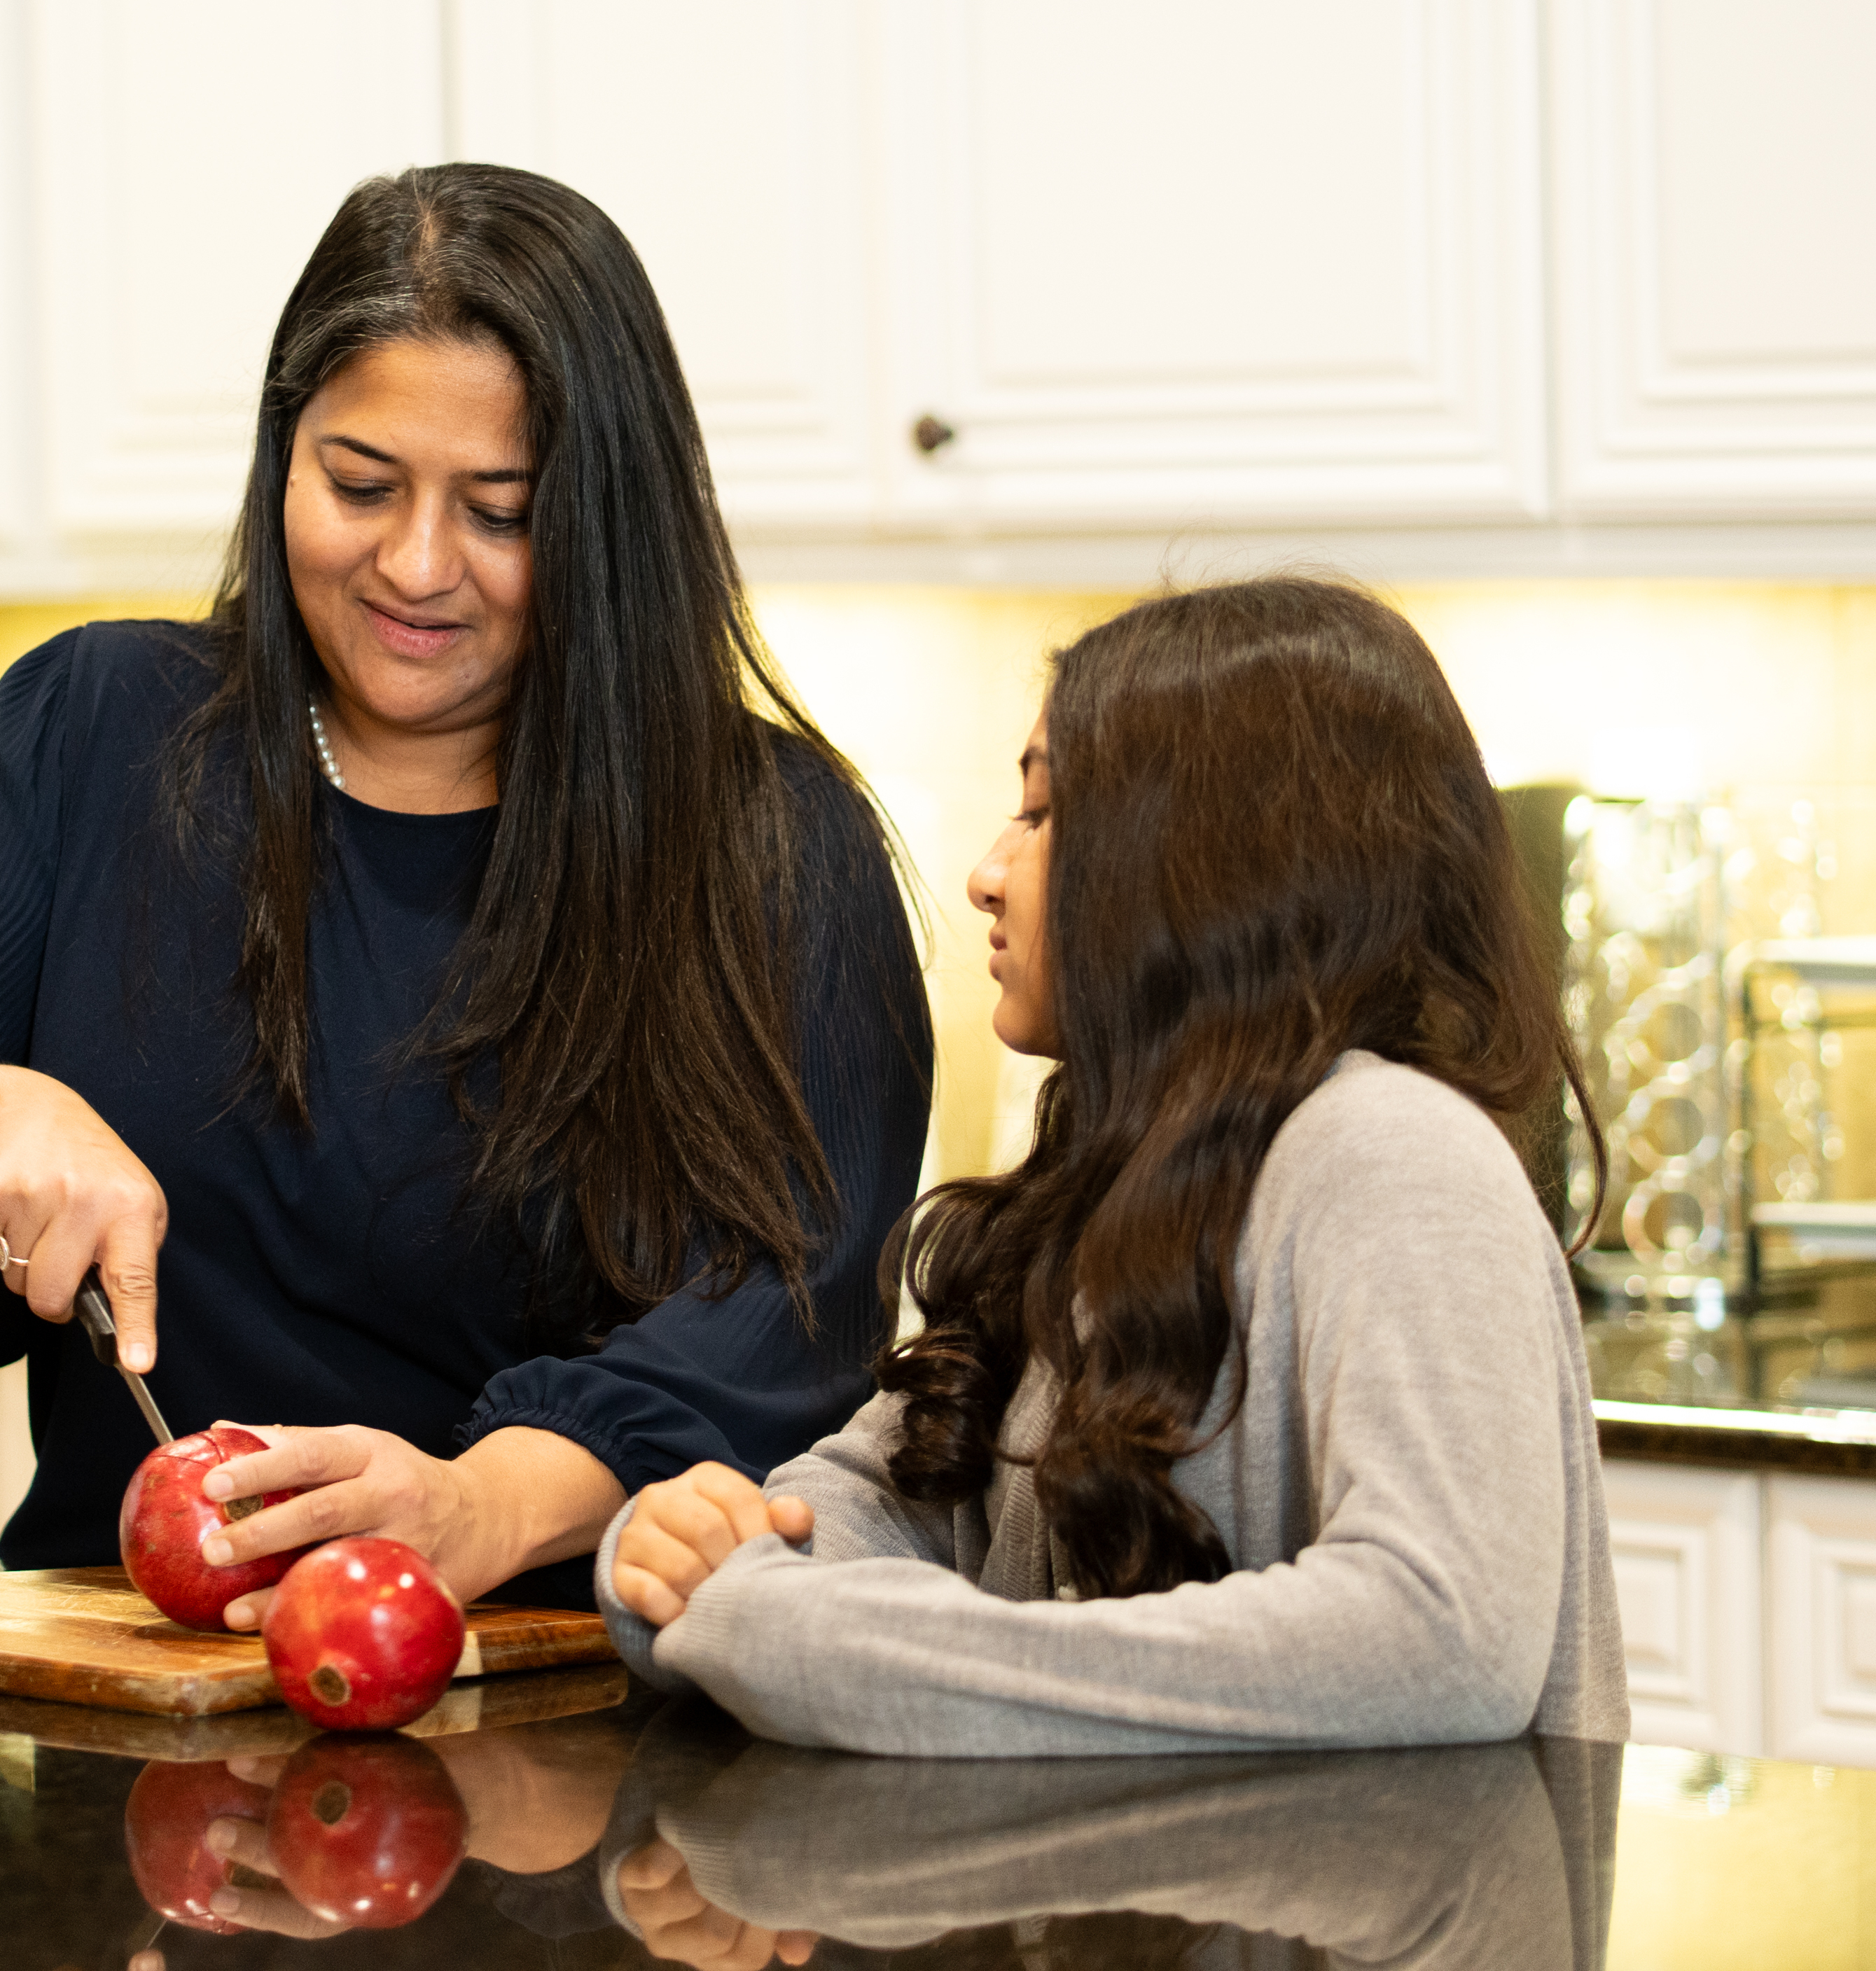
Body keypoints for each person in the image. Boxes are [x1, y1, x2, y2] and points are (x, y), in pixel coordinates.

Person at [0, 163, 932, 1614]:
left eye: (501, 509)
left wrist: (478, 1503)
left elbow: (788, 1303)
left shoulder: (772, 841)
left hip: (551, 1705)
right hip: (121, 1686)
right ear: (279, 453)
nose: (417, 565)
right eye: (359, 484)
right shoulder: (101, 731)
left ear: (610, 523)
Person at [597, 577, 1630, 1751]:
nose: (988, 872)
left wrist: (816, 1641)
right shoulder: (1109, 1179)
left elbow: (1442, 1638)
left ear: (1204, 860)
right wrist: (682, 1552)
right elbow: (869, 1506)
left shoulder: (1394, 1153)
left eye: (1042, 817)